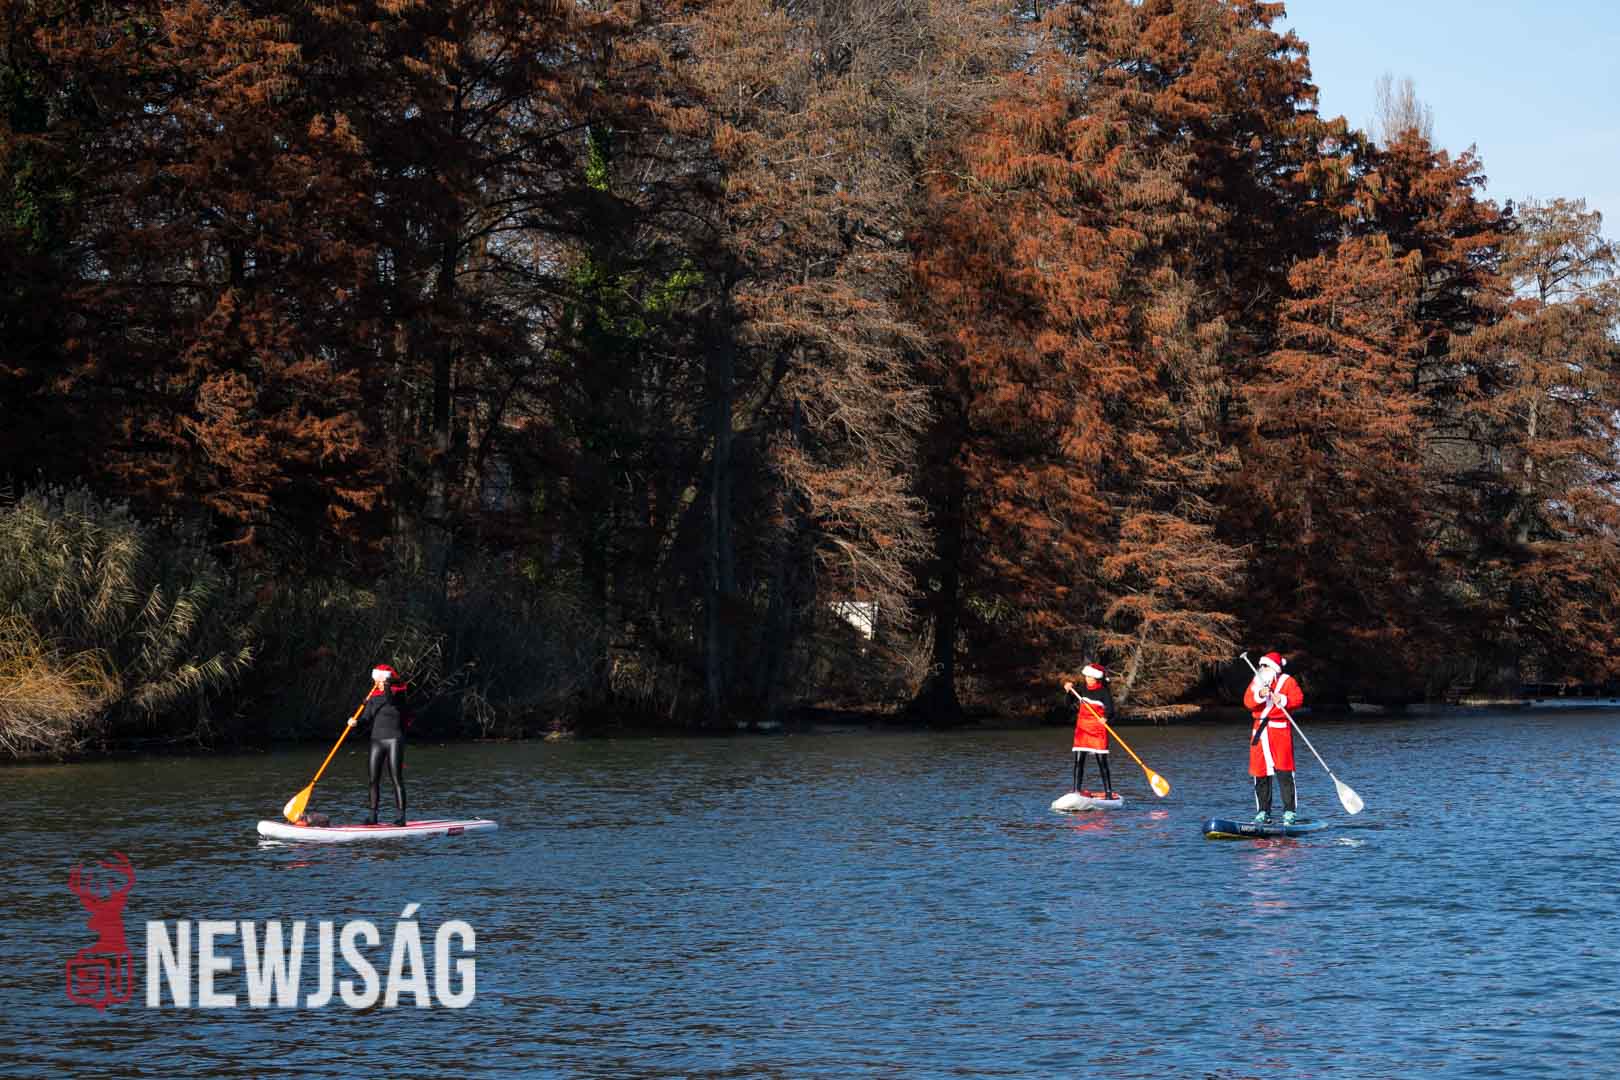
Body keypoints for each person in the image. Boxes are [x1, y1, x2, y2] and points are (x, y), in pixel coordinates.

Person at [1245, 651, 1303, 824]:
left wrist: (1283, 699)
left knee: (1284, 771)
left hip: (1279, 730)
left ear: (1274, 668)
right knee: (1260, 772)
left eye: (1265, 666)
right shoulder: (1256, 681)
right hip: (1259, 731)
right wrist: (1260, 695)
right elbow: (1248, 702)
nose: (1262, 668)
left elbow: (1298, 699)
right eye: (1261, 665)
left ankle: (1289, 812)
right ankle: (1263, 811)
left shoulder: (1287, 681)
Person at [350, 663, 410, 825]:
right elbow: (366, 718)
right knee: (373, 780)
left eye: (381, 680)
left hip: (394, 739)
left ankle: (401, 817)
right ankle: (373, 816)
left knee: (396, 778)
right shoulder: (372, 697)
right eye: (376, 680)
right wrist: (356, 722)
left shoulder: (398, 694)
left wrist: (387, 683)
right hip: (376, 740)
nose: (377, 683)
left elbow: (390, 699)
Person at [1062, 663, 1115, 798]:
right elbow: (1067, 704)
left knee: (1102, 762)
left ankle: (1108, 793)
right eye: (1086, 676)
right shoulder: (1081, 689)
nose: (1088, 679)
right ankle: (1076, 791)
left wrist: (1105, 717)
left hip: (1097, 729)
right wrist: (1068, 691)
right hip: (1082, 729)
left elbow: (1111, 710)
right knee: (1078, 762)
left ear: (1096, 678)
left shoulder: (1103, 692)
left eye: (1090, 677)